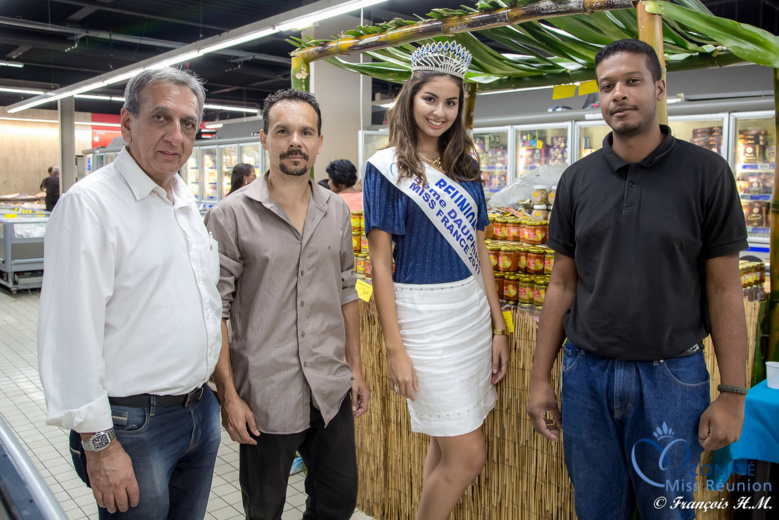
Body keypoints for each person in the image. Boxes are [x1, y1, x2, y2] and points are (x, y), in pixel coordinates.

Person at [527, 39, 748, 520]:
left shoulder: (707, 174)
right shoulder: (577, 180)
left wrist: (733, 394)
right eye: (607, 86)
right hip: (586, 376)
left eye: (632, 81)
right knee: (595, 509)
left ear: (659, 88)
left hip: (671, 378)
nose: (619, 94)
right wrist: (539, 378)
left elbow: (725, 288)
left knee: (667, 512)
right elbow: (562, 285)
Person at [38, 68, 223, 520]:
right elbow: (69, 336)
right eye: (161, 118)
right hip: (134, 428)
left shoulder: (183, 201)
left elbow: (203, 303)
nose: (175, 135)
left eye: (187, 124)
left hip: (199, 412)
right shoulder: (91, 206)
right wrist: (99, 446)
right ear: (126, 124)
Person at [204, 88, 370, 520]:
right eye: (283, 131)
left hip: (330, 388)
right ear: (265, 138)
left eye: (306, 132)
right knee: (264, 509)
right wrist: (228, 394)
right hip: (265, 394)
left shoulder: (335, 210)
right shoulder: (231, 215)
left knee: (337, 501)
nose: (295, 141)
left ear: (318, 141)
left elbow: (347, 291)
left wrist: (356, 367)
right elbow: (215, 311)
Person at [363, 41, 509, 520]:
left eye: (451, 103)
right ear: (410, 99)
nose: (440, 112)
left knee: (446, 448)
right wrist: (394, 347)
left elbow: (480, 249)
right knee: (468, 456)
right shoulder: (385, 168)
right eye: (431, 99)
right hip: (423, 320)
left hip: (468, 315)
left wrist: (498, 326)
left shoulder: (467, 168)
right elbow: (379, 263)